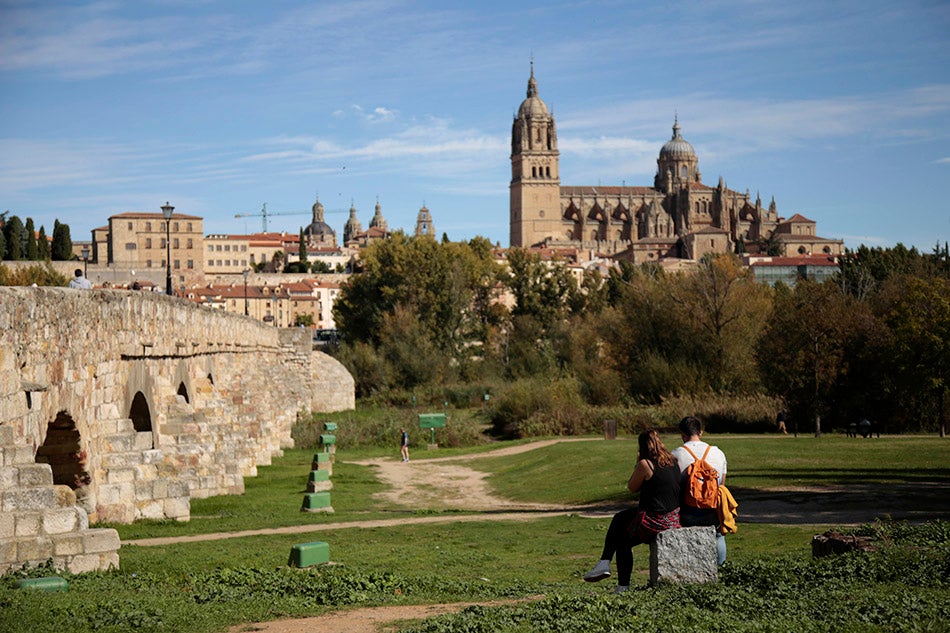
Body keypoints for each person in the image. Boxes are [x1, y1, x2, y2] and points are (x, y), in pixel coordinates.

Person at [583, 429, 682, 593]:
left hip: (655, 520)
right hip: (672, 518)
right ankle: (605, 564)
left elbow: (632, 487)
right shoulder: (673, 462)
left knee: (622, 539)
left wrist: (637, 463)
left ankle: (614, 575)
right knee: (620, 519)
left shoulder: (646, 464)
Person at [672, 416, 728, 565]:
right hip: (712, 509)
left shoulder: (675, 455)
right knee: (718, 535)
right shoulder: (717, 452)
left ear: (682, 435)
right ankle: (720, 567)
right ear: (701, 432)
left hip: (687, 512)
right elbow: (721, 484)